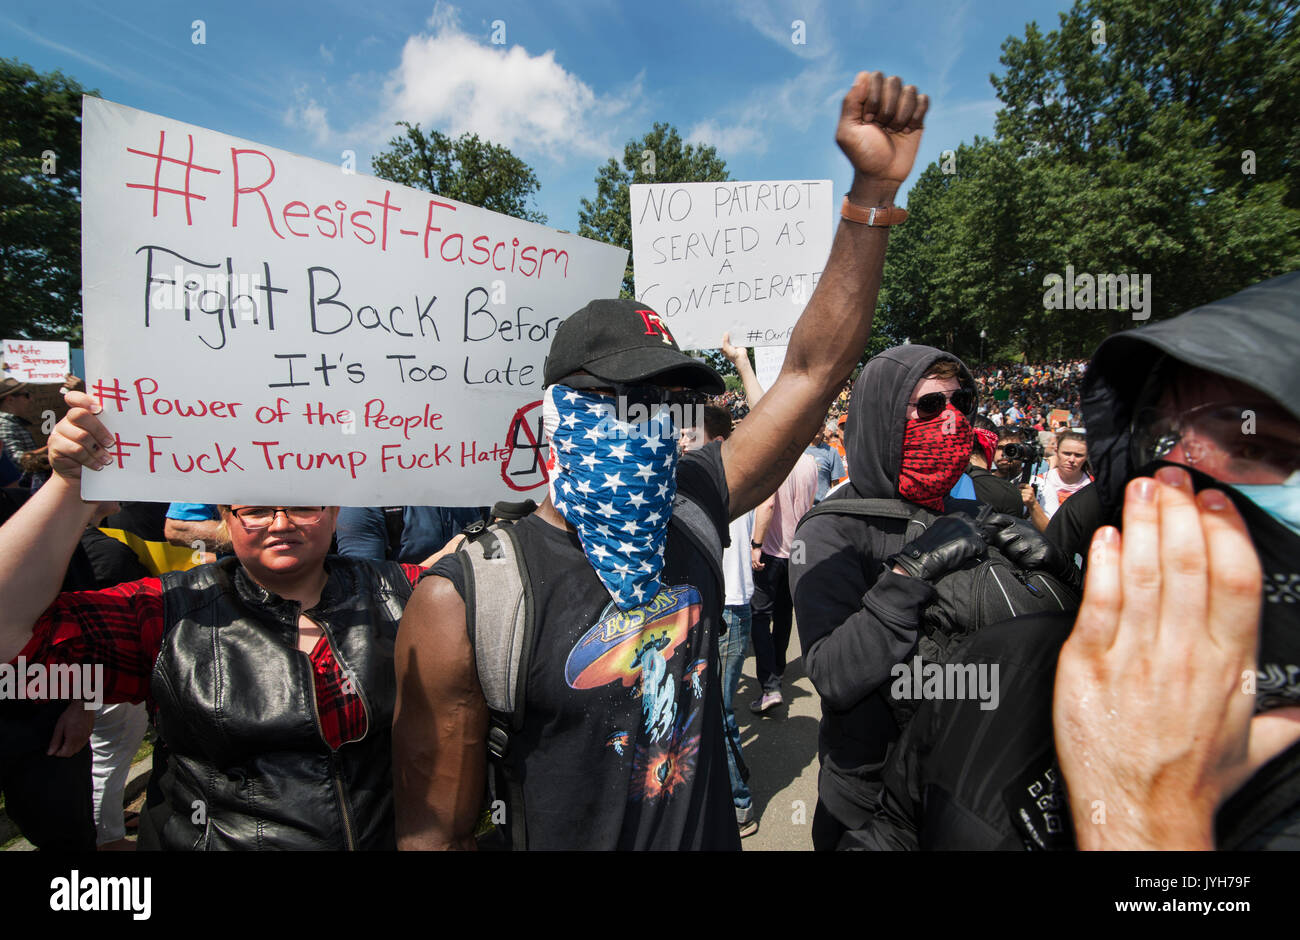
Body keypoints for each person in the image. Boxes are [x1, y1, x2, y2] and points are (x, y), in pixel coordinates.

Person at [391, 69, 931, 850]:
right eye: (618, 399)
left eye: (666, 400)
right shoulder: (470, 600)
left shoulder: (691, 507)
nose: (645, 426)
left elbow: (811, 376)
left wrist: (871, 197)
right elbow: (432, 836)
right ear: (558, 416)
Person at [843, 271, 1300, 850]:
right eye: (1158, 444)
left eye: (1258, 448)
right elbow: (893, 826)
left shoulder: (1000, 502)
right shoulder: (1012, 661)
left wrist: (1146, 831)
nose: (1177, 483)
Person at [0, 392, 427, 849]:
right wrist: (69, 487)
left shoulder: (403, 592)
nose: (281, 523)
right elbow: (10, 632)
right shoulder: (169, 613)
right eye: (257, 510)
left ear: (334, 513)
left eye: (303, 507)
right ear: (226, 519)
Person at [789, 346, 986, 851]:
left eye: (961, 403)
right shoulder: (831, 529)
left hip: (964, 788)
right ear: (882, 417)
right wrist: (906, 575)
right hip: (868, 802)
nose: (952, 421)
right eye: (929, 407)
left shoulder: (971, 509)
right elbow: (832, 674)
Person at [685, 404, 760, 837]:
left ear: (715, 443)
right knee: (710, 708)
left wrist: (743, 365)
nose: (681, 441)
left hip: (729, 609)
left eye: (690, 435)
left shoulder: (724, 483)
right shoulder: (697, 479)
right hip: (716, 607)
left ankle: (739, 802)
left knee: (719, 711)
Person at [748, 450, 818, 713]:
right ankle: (778, 664)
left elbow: (767, 505)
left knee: (759, 614)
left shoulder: (775, 460)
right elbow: (809, 504)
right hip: (798, 546)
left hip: (772, 548)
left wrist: (756, 543)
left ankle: (770, 683)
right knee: (784, 610)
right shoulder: (810, 461)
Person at [1038, 431, 1091, 519]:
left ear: (1086, 457)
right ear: (1056, 451)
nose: (1071, 459)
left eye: (1078, 455)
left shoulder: (1093, 486)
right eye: (1066, 453)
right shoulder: (1040, 482)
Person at [805, 423, 846, 503]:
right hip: (800, 508)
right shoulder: (797, 452)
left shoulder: (832, 452)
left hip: (821, 508)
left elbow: (835, 486)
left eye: (820, 425)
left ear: (824, 428)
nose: (817, 428)